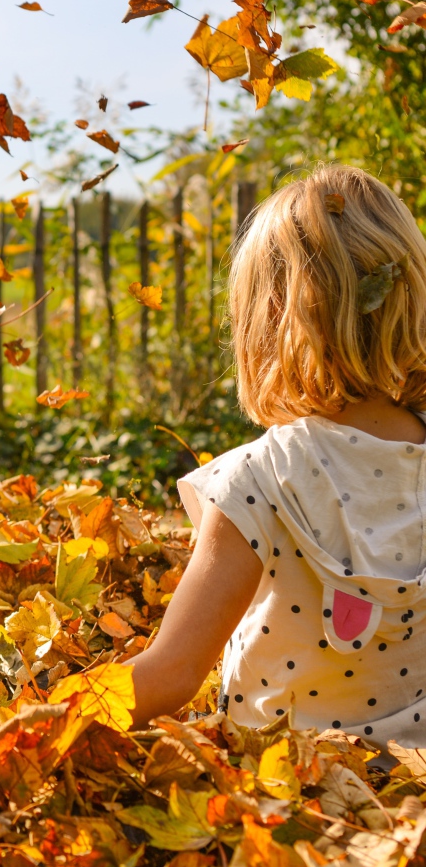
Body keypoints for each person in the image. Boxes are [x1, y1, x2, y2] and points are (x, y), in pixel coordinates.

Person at [126, 165, 426, 755]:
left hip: (280, 784)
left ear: (272, 319)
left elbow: (171, 674)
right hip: (411, 788)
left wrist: (38, 720)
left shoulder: (258, 480)